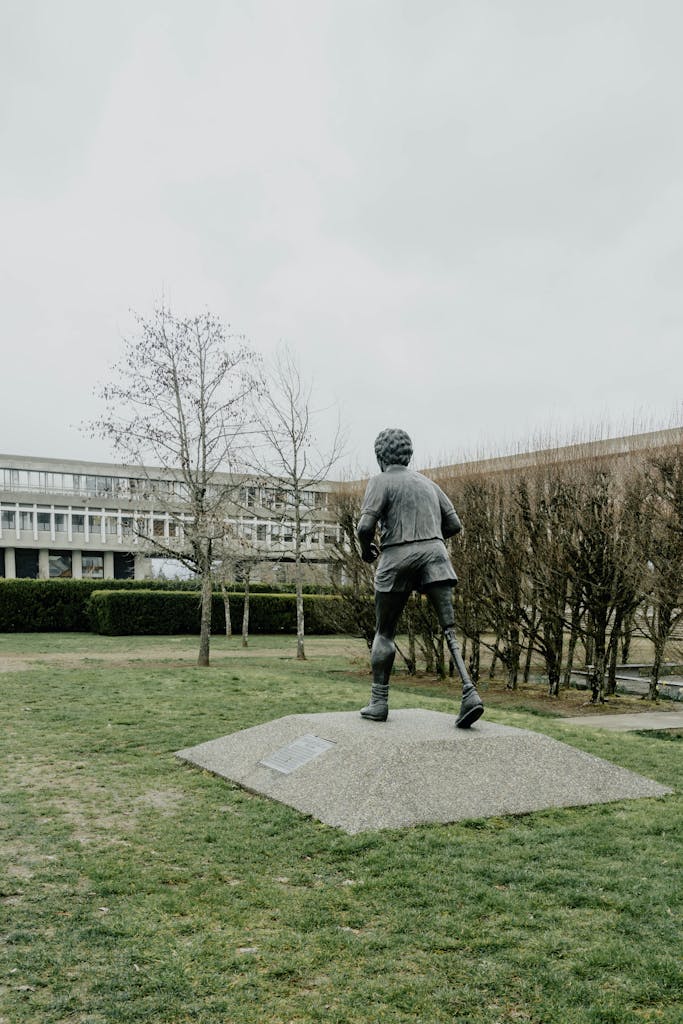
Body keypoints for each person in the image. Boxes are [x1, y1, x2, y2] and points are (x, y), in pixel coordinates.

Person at [356, 427, 484, 728]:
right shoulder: (429, 485)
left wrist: (366, 550)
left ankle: (379, 702)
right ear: (407, 455)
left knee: (384, 632)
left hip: (396, 558)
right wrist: (429, 540)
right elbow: (454, 524)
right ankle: (470, 692)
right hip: (435, 556)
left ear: (379, 456)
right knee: (449, 631)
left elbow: (364, 527)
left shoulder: (380, 481)